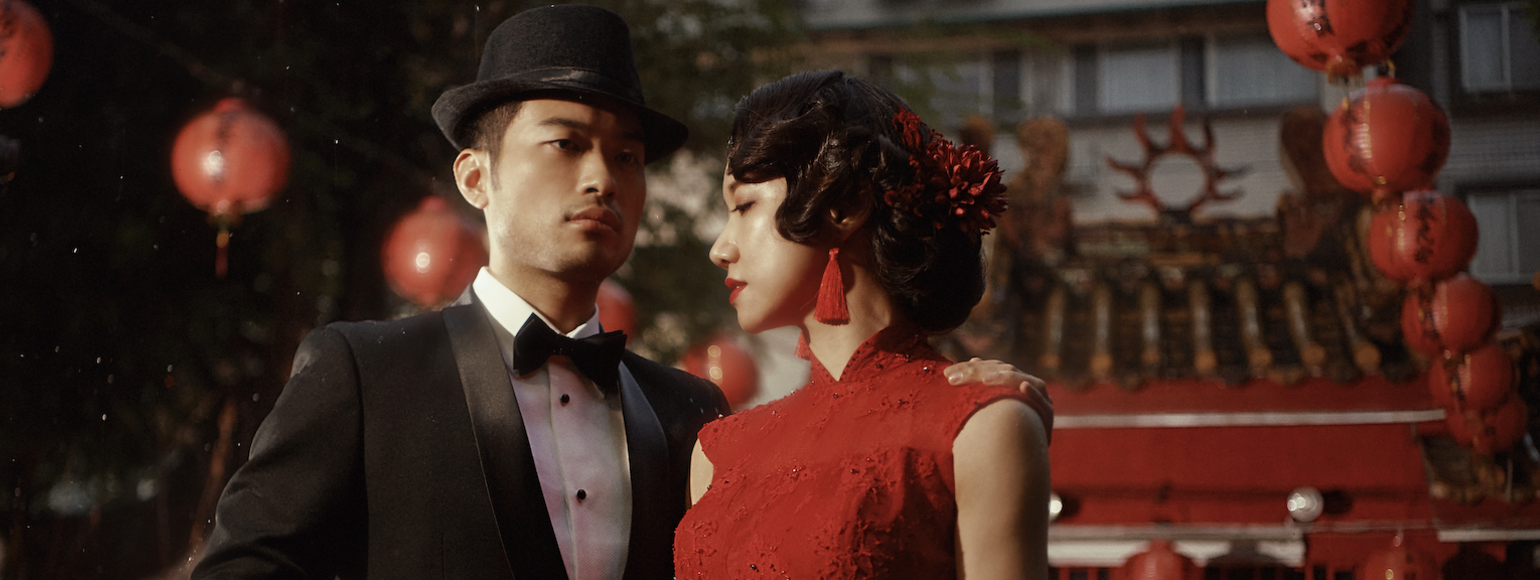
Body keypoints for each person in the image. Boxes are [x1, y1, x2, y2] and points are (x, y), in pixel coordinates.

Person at [193, 6, 1044, 580]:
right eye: (565, 144)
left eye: (627, 156)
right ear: (475, 177)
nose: (603, 177)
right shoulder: (365, 373)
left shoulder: (694, 417)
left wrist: (954, 406)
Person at [674, 71, 1054, 579]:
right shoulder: (717, 452)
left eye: (744, 206)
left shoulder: (980, 427)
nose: (720, 249)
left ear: (844, 206)